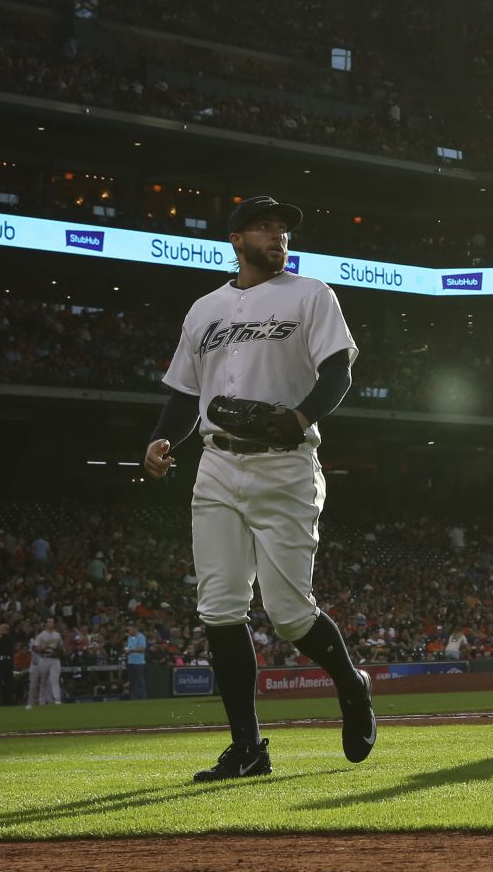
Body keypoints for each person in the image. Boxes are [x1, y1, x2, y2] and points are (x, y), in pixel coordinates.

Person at [143, 194, 376, 782]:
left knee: (290, 614)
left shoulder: (311, 294)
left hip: (286, 463)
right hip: (217, 466)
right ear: (237, 240)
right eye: (265, 228)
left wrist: (299, 417)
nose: (279, 237)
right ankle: (247, 748)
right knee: (219, 609)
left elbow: (338, 370)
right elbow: (184, 395)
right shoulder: (204, 310)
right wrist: (160, 441)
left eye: (283, 230)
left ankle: (352, 686)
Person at [27, 617, 64, 709]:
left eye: (52, 622)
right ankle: (42, 700)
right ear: (46, 624)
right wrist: (43, 648)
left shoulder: (57, 635)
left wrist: (60, 650)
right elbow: (35, 647)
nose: (51, 623)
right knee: (43, 681)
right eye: (49, 622)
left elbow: (61, 647)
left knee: (54, 679)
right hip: (44, 658)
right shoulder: (42, 635)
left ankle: (57, 699)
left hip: (55, 659)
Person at [124, 624, 149, 699]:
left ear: (135, 629)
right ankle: (133, 697)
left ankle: (141, 697)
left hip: (139, 662)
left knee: (139, 681)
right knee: (132, 681)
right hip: (130, 661)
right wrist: (126, 650)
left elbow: (142, 649)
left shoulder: (141, 637)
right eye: (129, 630)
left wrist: (131, 650)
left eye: (131, 629)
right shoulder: (129, 637)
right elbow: (128, 647)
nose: (129, 631)